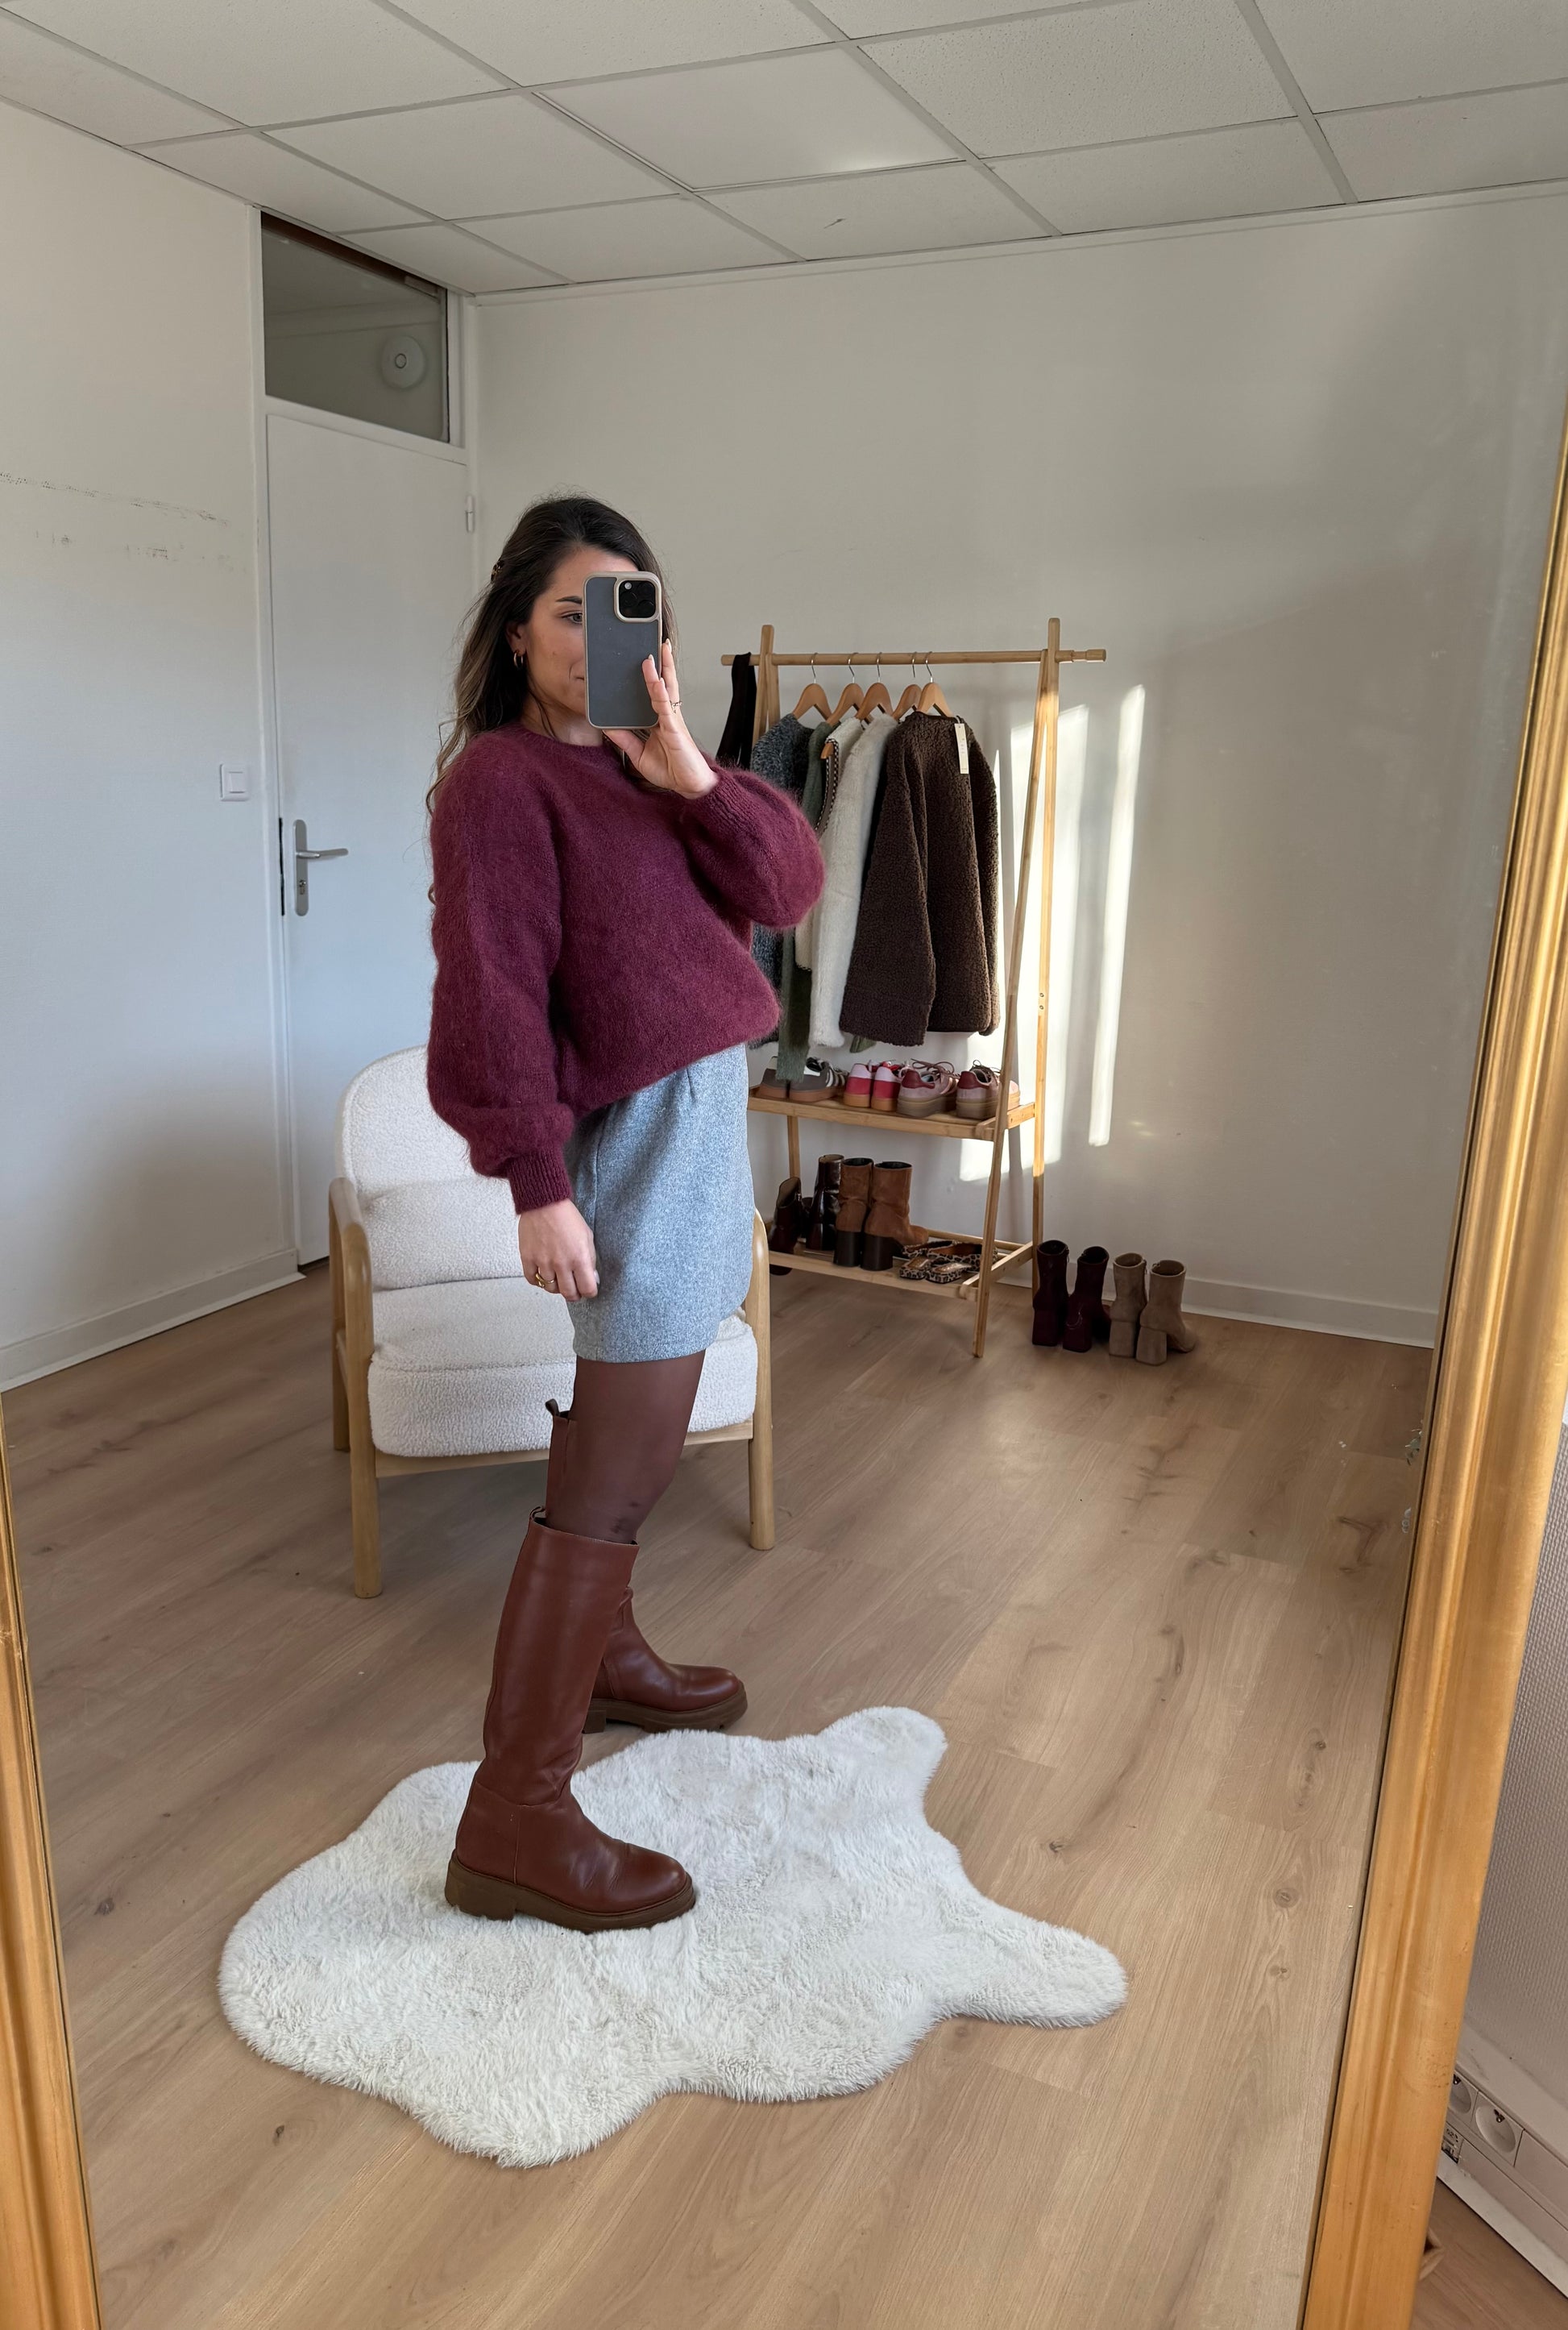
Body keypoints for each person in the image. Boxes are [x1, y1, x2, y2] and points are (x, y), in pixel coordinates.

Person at [425, 496, 822, 1933]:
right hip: (633, 1141)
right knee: (625, 1460)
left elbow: (787, 886)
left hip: (704, 1119)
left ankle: (607, 1659)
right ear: (514, 632)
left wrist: (692, 773)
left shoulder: (652, 767)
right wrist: (536, 1184)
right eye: (570, 610)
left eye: (627, 607)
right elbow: (489, 996)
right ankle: (514, 1817)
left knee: (631, 1437)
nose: (598, 636)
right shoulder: (501, 784)